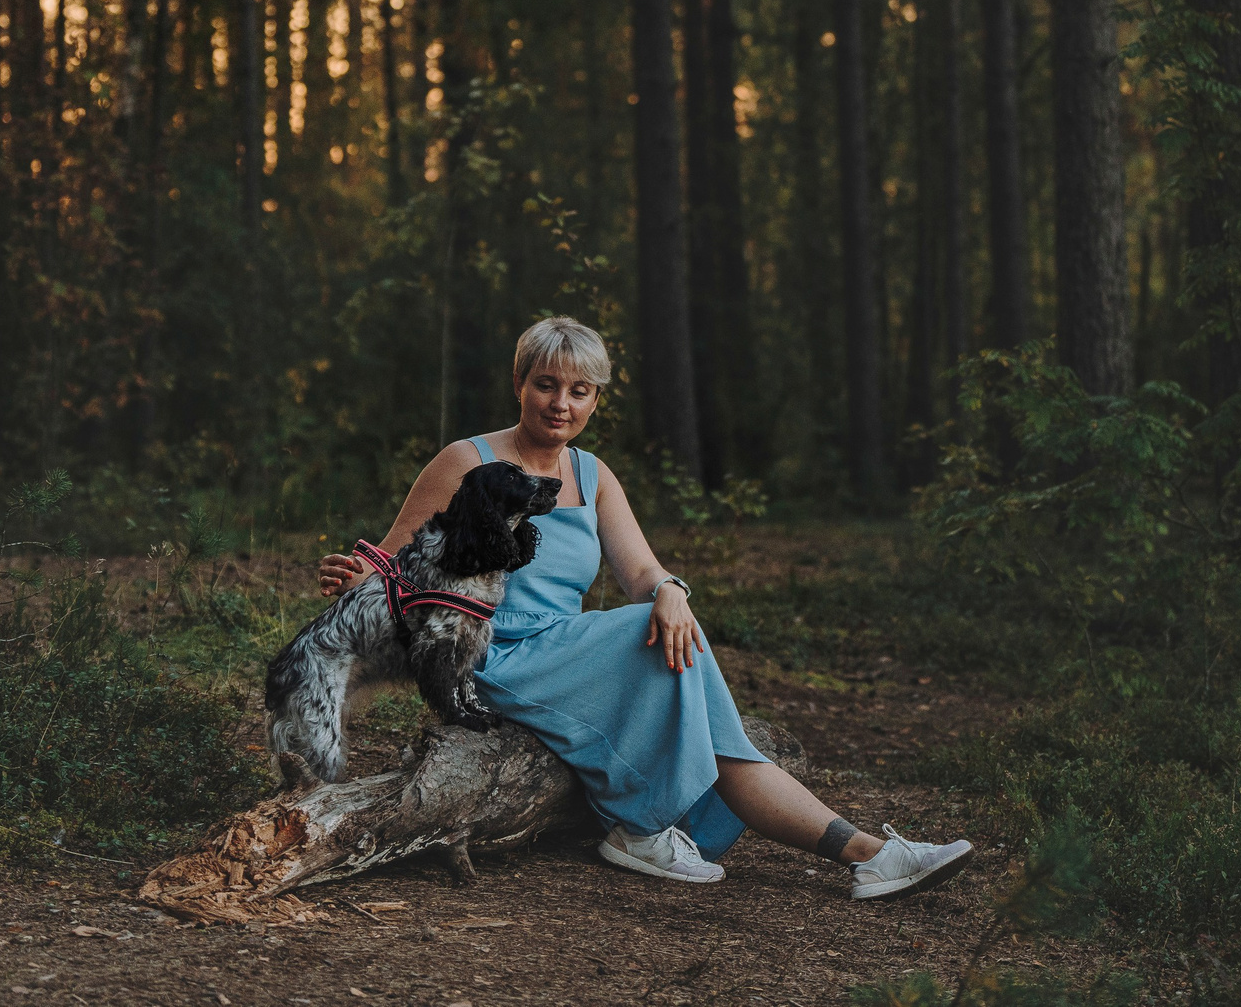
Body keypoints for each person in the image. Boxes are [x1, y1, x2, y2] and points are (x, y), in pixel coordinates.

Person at [316, 316, 973, 897]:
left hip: (566, 649)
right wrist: (354, 581)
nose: (561, 403)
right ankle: (641, 826)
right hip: (488, 653)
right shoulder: (469, 459)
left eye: (580, 391)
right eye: (547, 384)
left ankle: (871, 855)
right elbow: (393, 561)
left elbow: (641, 570)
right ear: (519, 382)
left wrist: (671, 592)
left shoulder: (594, 475)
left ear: (597, 398)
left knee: (716, 725)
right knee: (653, 640)